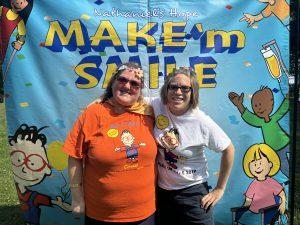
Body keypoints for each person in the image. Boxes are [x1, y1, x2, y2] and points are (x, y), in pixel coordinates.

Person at [63, 62, 157, 225]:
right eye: (122, 80)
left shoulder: (149, 113)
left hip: (144, 214)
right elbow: (74, 156)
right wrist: (77, 198)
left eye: (135, 84)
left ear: (140, 90)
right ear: (113, 82)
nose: (127, 86)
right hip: (101, 214)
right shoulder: (93, 113)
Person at [152, 67, 235, 225]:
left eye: (185, 88)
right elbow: (131, 99)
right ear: (166, 89)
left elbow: (229, 149)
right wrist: (102, 100)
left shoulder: (200, 121)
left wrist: (220, 189)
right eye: (174, 86)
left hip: (193, 194)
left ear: (193, 92)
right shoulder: (157, 105)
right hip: (162, 194)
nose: (178, 92)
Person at [236, 143, 286, 225]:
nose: (258, 167)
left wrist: (283, 203)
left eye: (260, 163)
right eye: (254, 164)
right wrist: (242, 210)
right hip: (253, 213)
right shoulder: (253, 184)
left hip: (265, 214)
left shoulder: (271, 182)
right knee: (241, 219)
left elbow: (282, 194)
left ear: (270, 164)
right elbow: (248, 201)